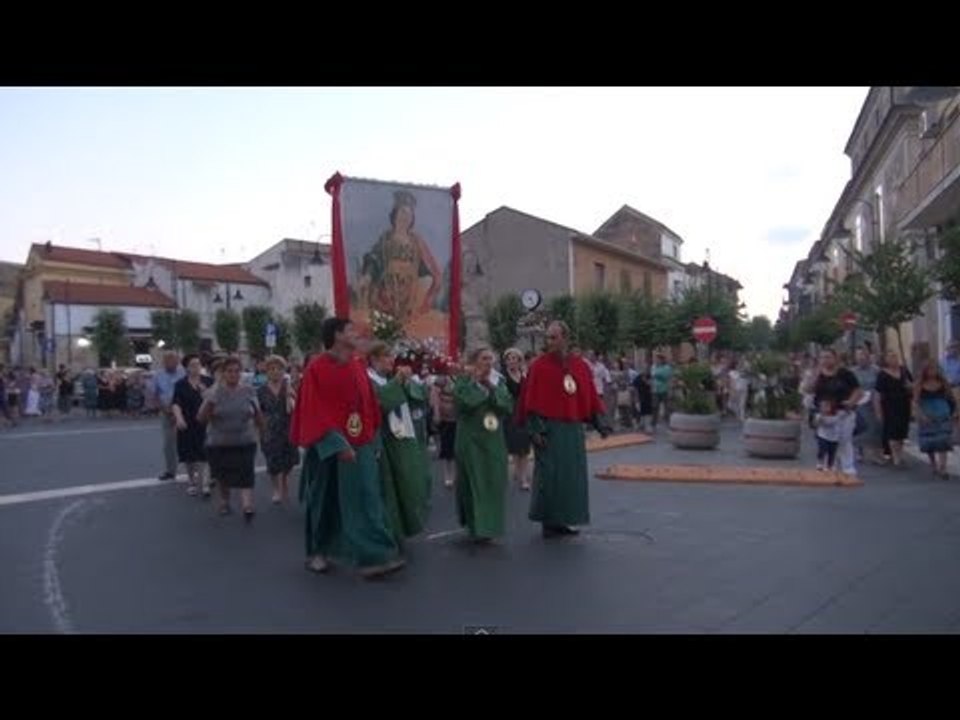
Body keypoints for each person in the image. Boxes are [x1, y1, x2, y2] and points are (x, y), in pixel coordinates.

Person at [291, 317, 405, 578]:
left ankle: (376, 555)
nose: (356, 334)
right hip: (328, 445)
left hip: (360, 443)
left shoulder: (357, 365)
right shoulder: (316, 368)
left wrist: (371, 439)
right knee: (324, 499)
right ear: (337, 335)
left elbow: (368, 404)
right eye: (351, 330)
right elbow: (312, 409)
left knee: (366, 497)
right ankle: (318, 551)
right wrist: (336, 444)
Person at [519, 321, 610, 538]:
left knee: (571, 478)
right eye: (547, 337)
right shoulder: (539, 366)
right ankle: (549, 521)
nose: (549, 342)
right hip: (549, 431)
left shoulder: (580, 366)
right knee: (549, 477)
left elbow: (589, 397)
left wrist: (600, 423)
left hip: (573, 431)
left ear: (565, 338)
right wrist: (536, 430)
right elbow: (530, 402)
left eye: (553, 337)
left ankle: (564, 519)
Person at [367, 342, 431, 545]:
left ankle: (402, 528)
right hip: (384, 441)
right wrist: (397, 382)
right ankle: (390, 533)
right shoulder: (369, 380)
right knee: (389, 489)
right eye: (387, 356)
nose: (391, 360)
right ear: (374, 359)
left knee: (410, 483)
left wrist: (405, 383)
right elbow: (379, 403)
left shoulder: (387, 379)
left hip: (401, 437)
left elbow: (419, 397)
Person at [453, 347, 514, 543]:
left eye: (491, 359)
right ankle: (476, 526)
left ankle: (490, 526)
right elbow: (464, 403)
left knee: (493, 480)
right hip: (471, 440)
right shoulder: (464, 380)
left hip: (493, 439)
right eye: (484, 358)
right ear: (474, 361)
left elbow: (506, 406)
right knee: (473, 481)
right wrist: (478, 384)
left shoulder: (499, 381)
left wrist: (491, 387)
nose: (489, 363)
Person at [358, 190, 443, 324]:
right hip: (388, 290)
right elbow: (374, 258)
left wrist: (426, 281)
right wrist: (368, 275)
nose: (405, 217)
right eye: (402, 212)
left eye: (409, 214)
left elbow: (425, 267)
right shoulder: (386, 238)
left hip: (409, 293)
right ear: (395, 214)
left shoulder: (416, 242)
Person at [198, 356, 264, 520]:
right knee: (223, 474)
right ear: (223, 373)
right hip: (220, 441)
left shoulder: (249, 390)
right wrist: (210, 403)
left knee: (246, 473)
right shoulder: (214, 392)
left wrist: (260, 423)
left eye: (237, 371)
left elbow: (259, 417)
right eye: (229, 371)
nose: (233, 374)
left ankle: (247, 505)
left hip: (245, 440)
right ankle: (225, 501)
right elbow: (201, 418)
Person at [803, 349, 863, 477]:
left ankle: (848, 468)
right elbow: (807, 389)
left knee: (845, 439)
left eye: (828, 357)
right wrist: (815, 375)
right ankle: (829, 466)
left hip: (843, 412)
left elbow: (858, 390)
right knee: (826, 440)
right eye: (823, 357)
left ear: (835, 359)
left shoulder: (845, 374)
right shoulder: (817, 374)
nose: (825, 360)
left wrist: (851, 402)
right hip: (824, 413)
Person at [257, 355, 300, 505]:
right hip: (269, 429)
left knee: (290, 459)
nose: (275, 371)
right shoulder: (261, 390)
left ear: (283, 370)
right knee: (272, 461)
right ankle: (276, 488)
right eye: (271, 369)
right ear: (266, 371)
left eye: (279, 368)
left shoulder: (289, 386)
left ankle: (284, 480)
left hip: (288, 427)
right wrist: (259, 428)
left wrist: (293, 396)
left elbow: (297, 406)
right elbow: (258, 412)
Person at [172, 354, 214, 498]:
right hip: (187, 423)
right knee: (189, 456)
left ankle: (205, 484)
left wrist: (205, 392)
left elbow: (215, 400)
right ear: (186, 368)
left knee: (205, 454)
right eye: (193, 365)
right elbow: (176, 403)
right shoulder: (180, 384)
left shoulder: (208, 381)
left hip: (205, 422)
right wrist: (179, 418)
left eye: (198, 364)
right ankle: (192, 481)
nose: (196, 367)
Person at [913, 361, 957, 478]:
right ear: (925, 371)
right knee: (929, 442)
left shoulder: (943, 382)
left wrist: (954, 412)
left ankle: (943, 467)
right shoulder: (920, 384)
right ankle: (933, 464)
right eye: (930, 369)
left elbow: (951, 397)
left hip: (943, 413)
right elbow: (916, 402)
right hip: (927, 414)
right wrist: (921, 415)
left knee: (944, 440)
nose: (933, 371)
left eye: (935, 369)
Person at [874, 350, 913, 467]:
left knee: (902, 431)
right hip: (889, 406)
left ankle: (899, 454)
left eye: (895, 356)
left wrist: (910, 386)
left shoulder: (904, 371)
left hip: (904, 404)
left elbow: (913, 386)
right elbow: (877, 394)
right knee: (892, 431)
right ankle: (895, 457)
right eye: (891, 357)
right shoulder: (882, 374)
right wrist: (878, 411)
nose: (894, 359)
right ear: (886, 360)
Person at [502, 348, 532, 490]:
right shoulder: (502, 377)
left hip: (524, 411)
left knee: (525, 445)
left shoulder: (524, 375)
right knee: (515, 444)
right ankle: (518, 471)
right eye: (509, 359)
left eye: (515, 358)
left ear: (520, 361)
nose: (512, 361)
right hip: (510, 412)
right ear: (506, 361)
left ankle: (523, 476)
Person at [153, 352, 185, 480]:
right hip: (165, 411)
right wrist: (165, 409)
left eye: (172, 361)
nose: (169, 363)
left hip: (183, 411)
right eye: (166, 361)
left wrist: (178, 409)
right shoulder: (158, 375)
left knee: (188, 441)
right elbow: (155, 395)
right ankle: (170, 470)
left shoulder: (183, 373)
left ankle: (193, 467)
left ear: (177, 362)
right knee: (168, 443)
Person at [851, 347, 884, 464]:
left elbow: (880, 385)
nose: (861, 358)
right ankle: (859, 450)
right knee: (860, 426)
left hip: (873, 402)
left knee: (875, 427)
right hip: (859, 403)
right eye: (859, 355)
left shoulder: (876, 370)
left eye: (864, 355)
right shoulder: (853, 372)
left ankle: (876, 453)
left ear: (868, 356)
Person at [430, 362, 458, 489]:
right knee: (448, 448)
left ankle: (459, 475)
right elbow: (435, 396)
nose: (454, 367)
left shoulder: (463, 378)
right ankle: (448, 476)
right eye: (452, 366)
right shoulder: (441, 380)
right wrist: (436, 413)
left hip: (461, 418)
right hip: (446, 417)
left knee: (460, 447)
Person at [813, 399, 842, 471]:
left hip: (834, 437)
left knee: (832, 452)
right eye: (822, 407)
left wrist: (822, 418)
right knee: (822, 449)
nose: (824, 408)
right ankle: (820, 463)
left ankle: (830, 465)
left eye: (826, 406)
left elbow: (829, 424)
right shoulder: (819, 415)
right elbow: (815, 424)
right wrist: (818, 419)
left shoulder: (836, 416)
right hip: (823, 435)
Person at [650, 353, 673, 429]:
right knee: (655, 407)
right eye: (656, 359)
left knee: (667, 407)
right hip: (655, 390)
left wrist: (657, 374)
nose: (656, 361)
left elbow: (665, 376)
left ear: (662, 360)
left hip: (664, 389)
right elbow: (653, 374)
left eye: (658, 359)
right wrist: (658, 374)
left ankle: (669, 422)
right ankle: (653, 423)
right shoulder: (653, 366)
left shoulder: (667, 367)